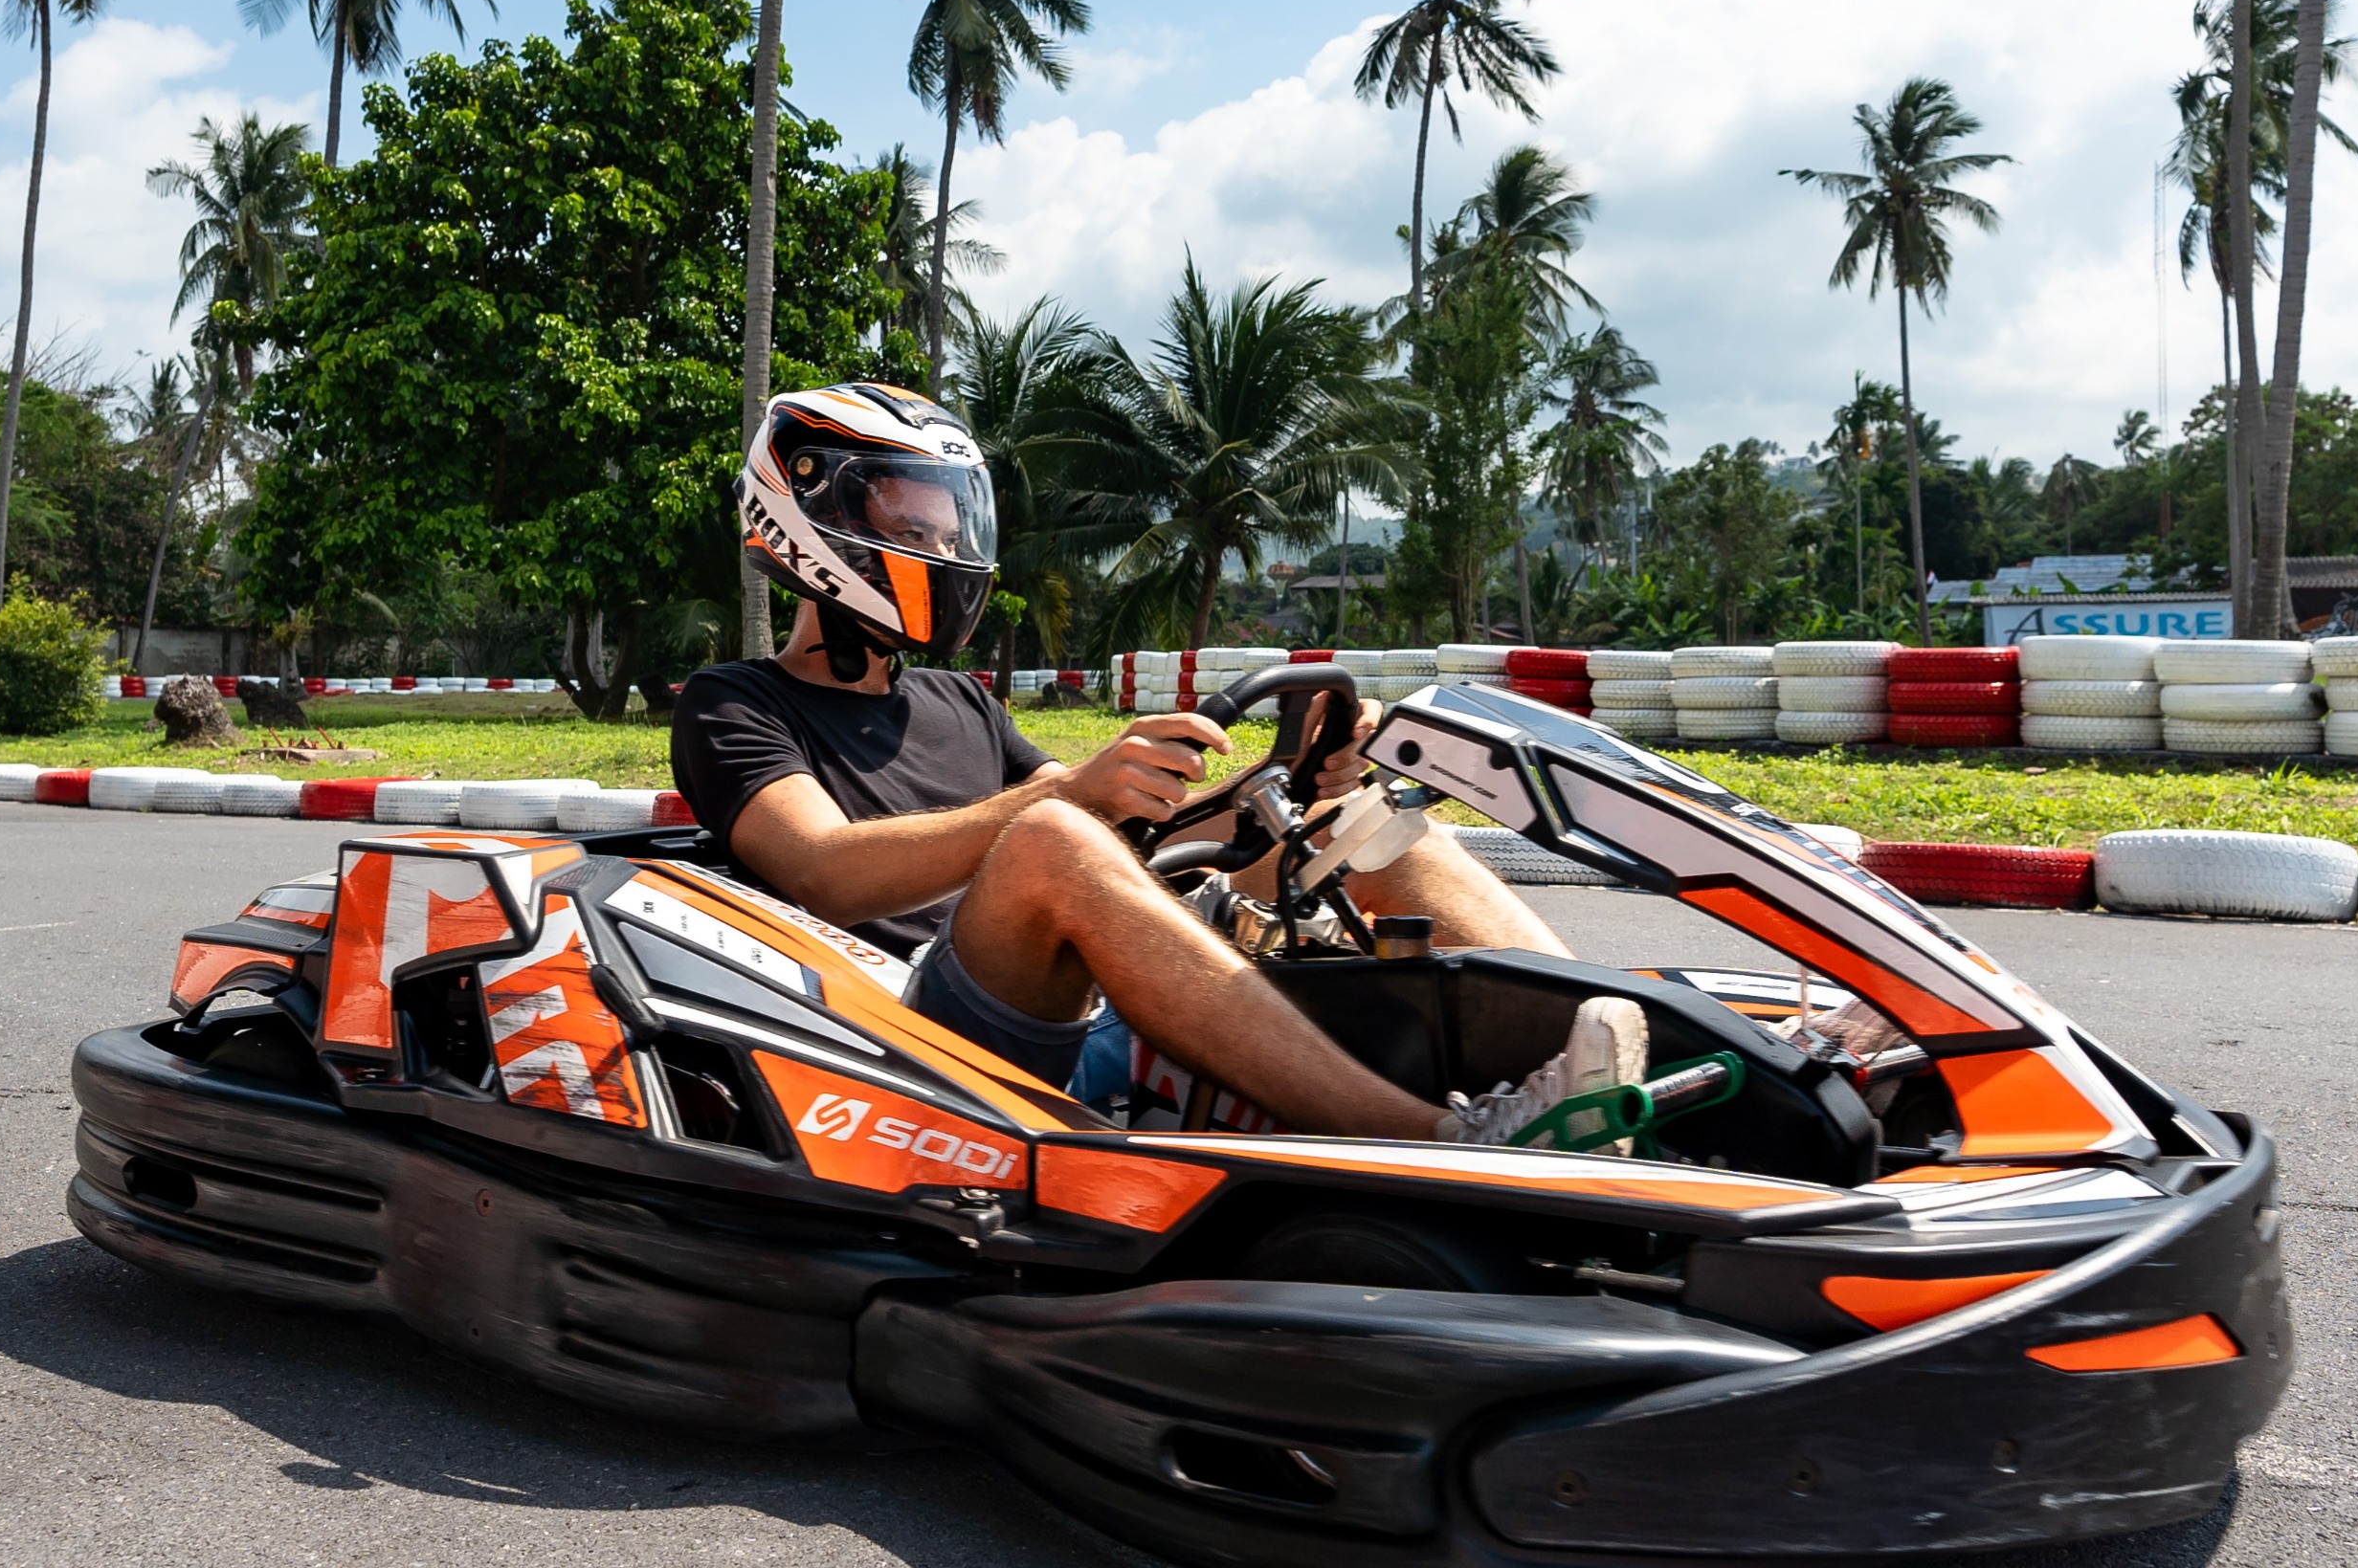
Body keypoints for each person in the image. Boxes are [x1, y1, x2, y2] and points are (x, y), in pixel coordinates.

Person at [673, 384, 1647, 1146]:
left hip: (1080, 996)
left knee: (1353, 831)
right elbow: (821, 871)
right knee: (1052, 831)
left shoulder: (958, 700)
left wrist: (1285, 784)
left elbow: (1123, 844)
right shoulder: (735, 702)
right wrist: (1063, 796)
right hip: (906, 1033)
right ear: (809, 510)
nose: (939, 548)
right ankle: (1448, 1138)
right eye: (908, 526)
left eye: (945, 530)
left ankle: (1612, 1050)